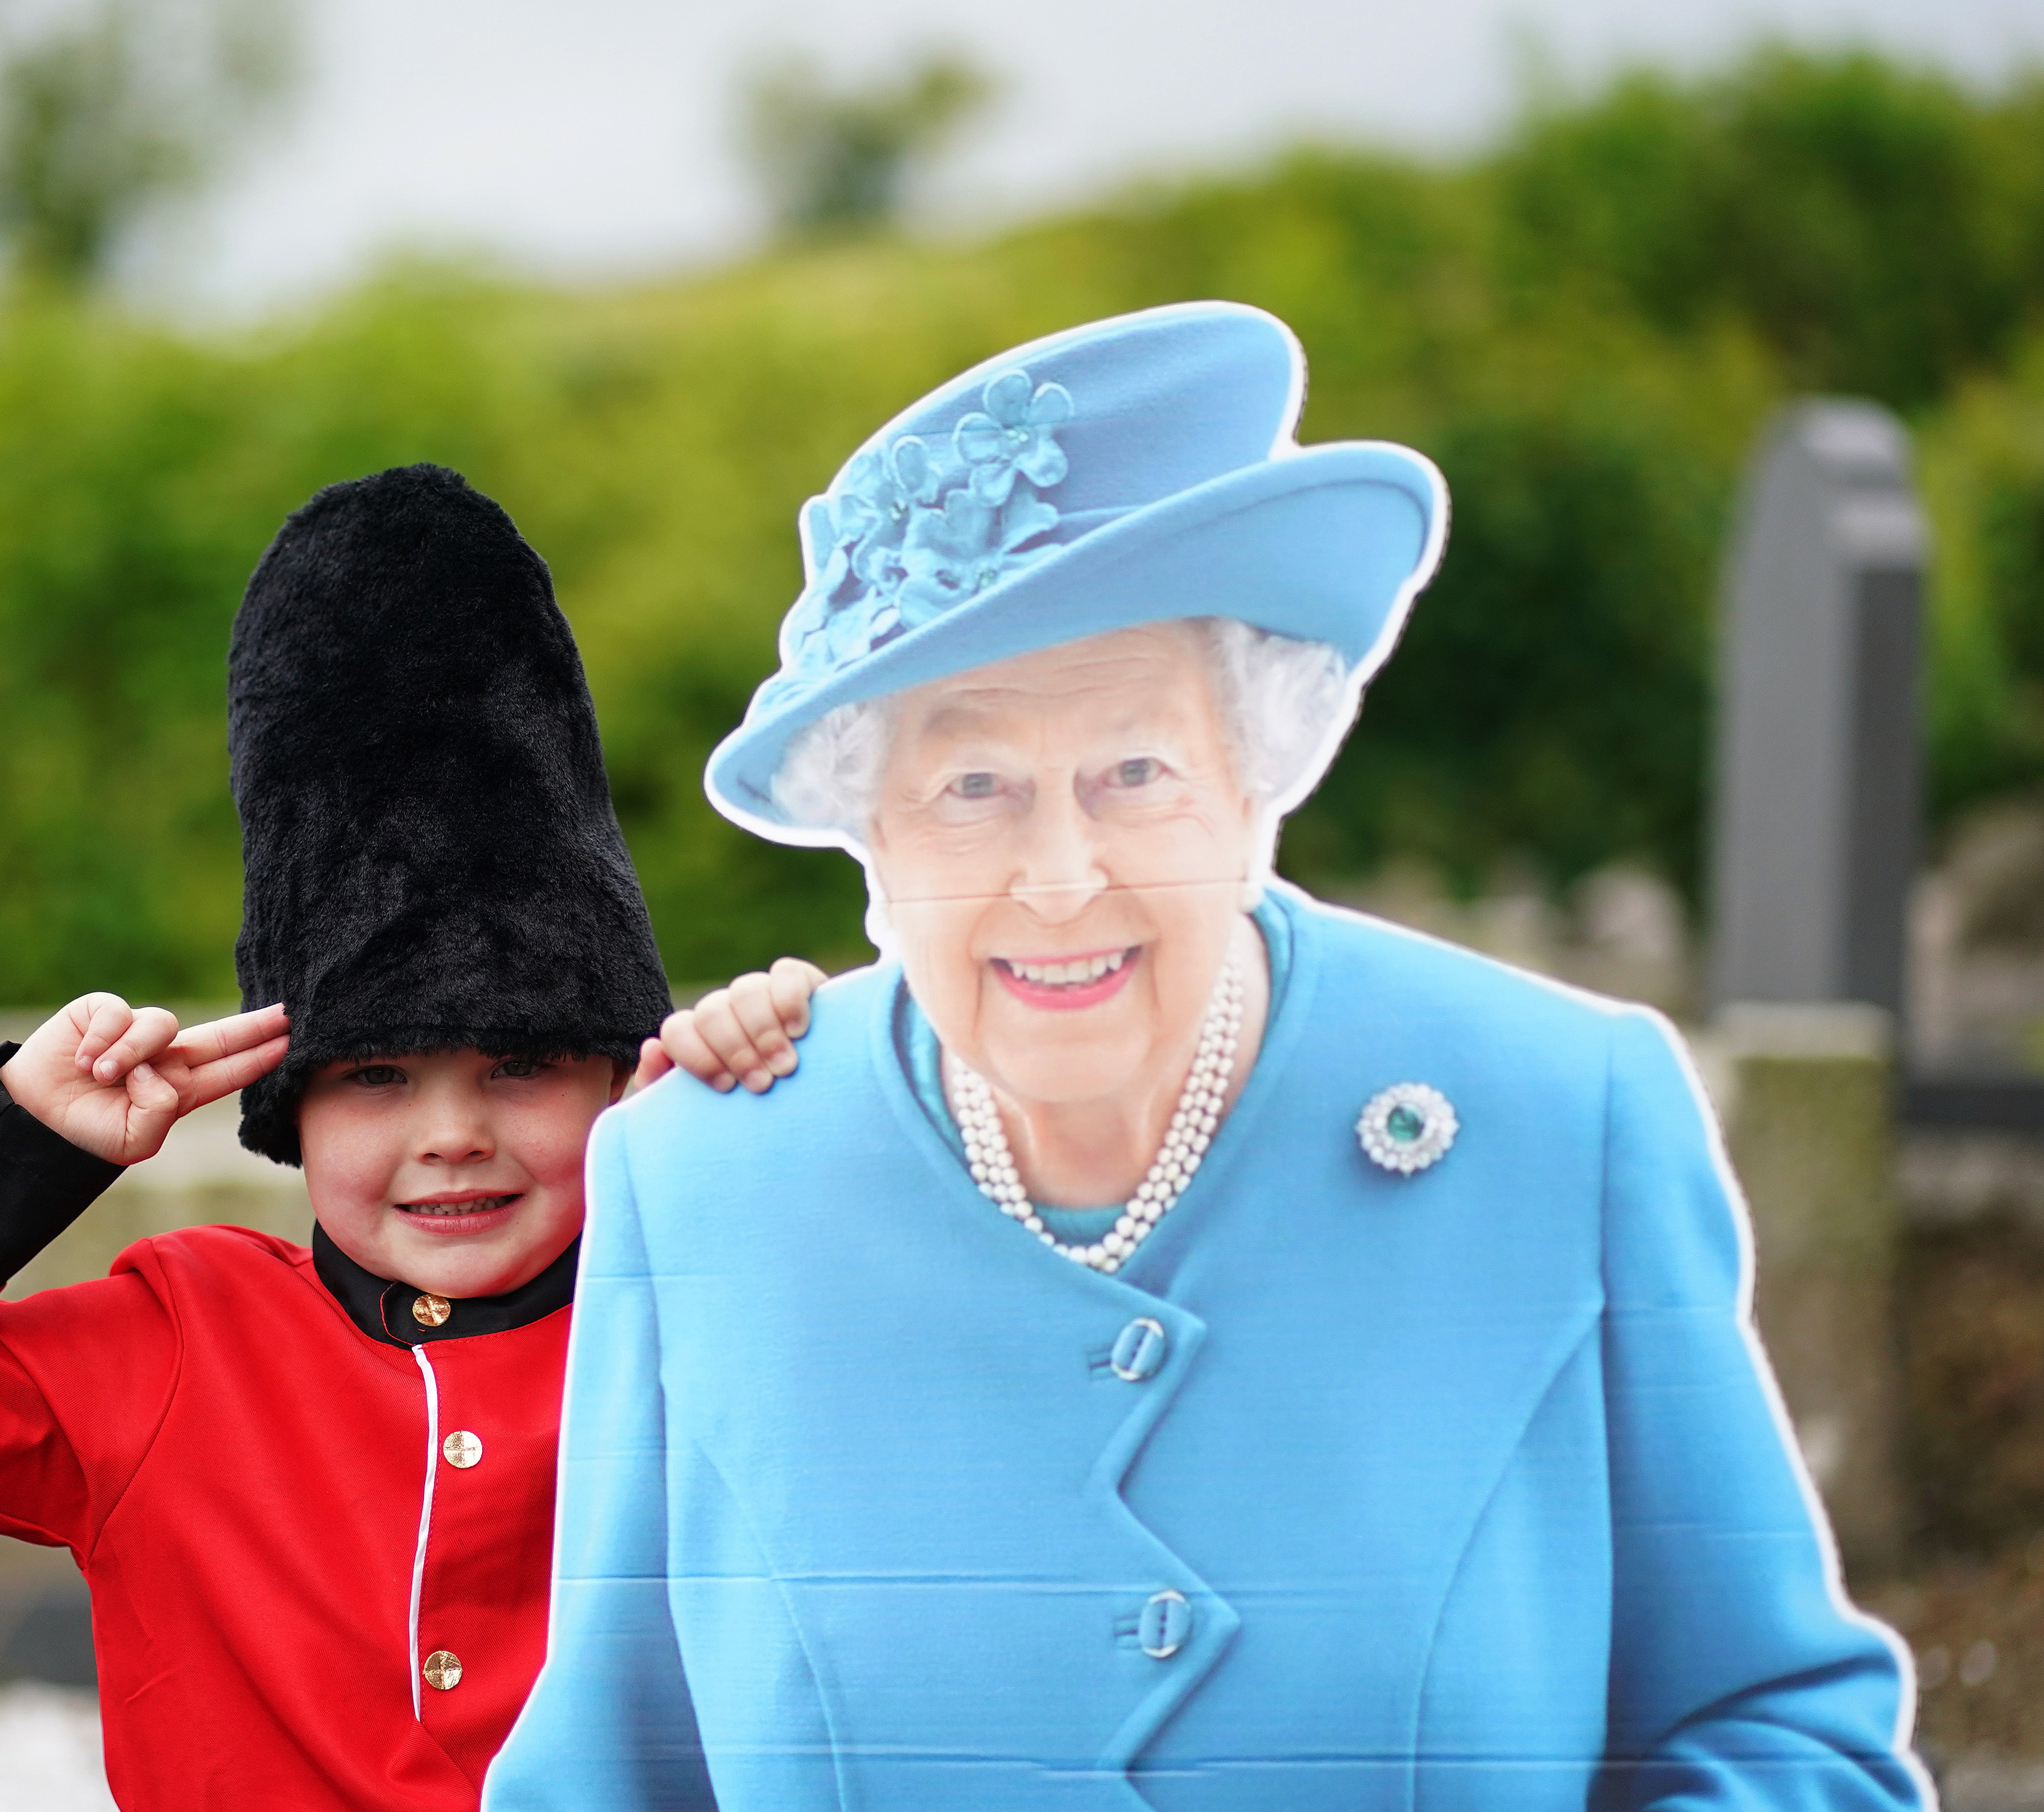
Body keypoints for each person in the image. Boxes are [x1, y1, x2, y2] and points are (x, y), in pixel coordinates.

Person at [486, 304, 1931, 1809]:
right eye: (972, 782)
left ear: (1260, 777)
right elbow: (603, 1773)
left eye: (1135, 771)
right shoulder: (707, 1175)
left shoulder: (1565, 1120)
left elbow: (1784, 1737)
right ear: (873, 831)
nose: (1059, 875)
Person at [0, 465, 812, 1811]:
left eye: (521, 1066)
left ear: (620, 1079)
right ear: (294, 1100)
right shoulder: (183, 1338)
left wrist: (788, 1119)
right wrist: (25, 1145)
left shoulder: (711, 1327)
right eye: (381, 1076)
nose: (452, 1136)